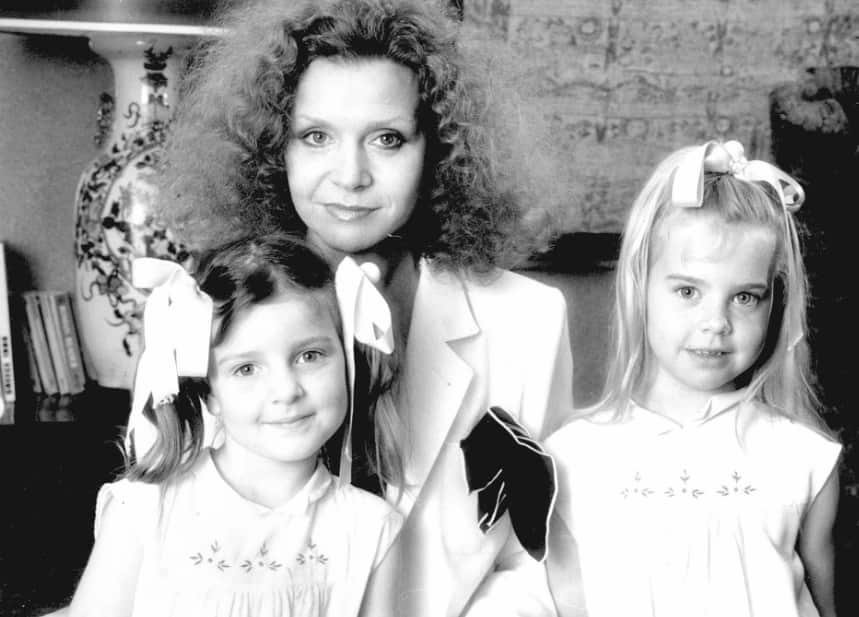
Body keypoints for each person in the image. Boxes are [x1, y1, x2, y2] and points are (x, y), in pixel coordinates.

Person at [158, 1, 574, 615]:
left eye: (386, 139)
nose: (350, 175)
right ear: (275, 150)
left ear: (438, 149)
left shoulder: (529, 321)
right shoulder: (199, 313)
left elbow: (542, 564)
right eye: (316, 136)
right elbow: (163, 551)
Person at [545, 140, 842, 617]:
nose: (717, 322)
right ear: (639, 286)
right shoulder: (574, 456)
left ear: (775, 303)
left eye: (745, 297)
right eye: (688, 290)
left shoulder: (805, 459)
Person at [66, 233, 403, 617]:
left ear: (348, 359)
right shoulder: (144, 511)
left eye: (309, 355)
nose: (286, 391)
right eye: (246, 368)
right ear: (208, 390)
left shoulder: (370, 529)